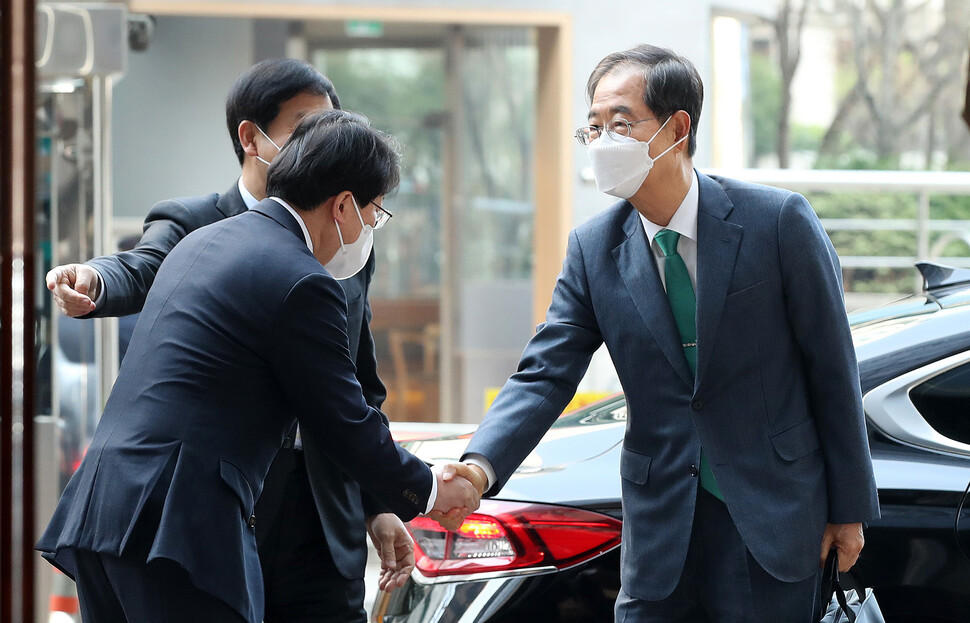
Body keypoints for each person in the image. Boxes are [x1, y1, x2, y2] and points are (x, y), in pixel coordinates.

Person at [457, 45, 880, 622]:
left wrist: (849, 508)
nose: (604, 141)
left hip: (771, 515)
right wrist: (479, 466)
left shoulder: (776, 221)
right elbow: (545, 372)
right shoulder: (593, 248)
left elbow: (832, 366)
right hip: (661, 528)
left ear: (677, 128)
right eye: (594, 127)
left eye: (621, 123)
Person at [37, 110, 481, 623]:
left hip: (104, 513)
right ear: (342, 206)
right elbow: (342, 419)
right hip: (179, 528)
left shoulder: (204, 242)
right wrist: (428, 487)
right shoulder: (302, 280)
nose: (370, 231)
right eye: (374, 214)